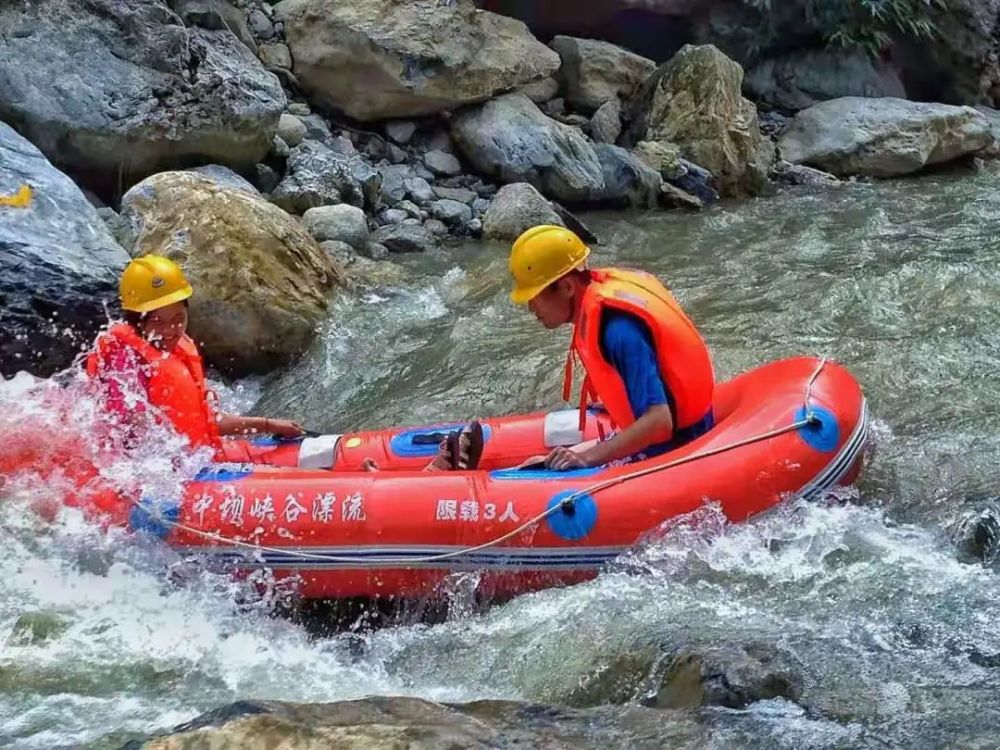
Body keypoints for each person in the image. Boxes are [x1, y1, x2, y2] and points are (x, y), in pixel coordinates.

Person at [508, 225, 715, 470]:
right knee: (537, 466)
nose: (531, 309)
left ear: (567, 287)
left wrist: (585, 458)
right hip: (661, 431)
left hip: (680, 444)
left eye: (534, 297)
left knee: (549, 476)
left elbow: (659, 422)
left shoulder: (619, 331)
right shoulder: (595, 303)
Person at [86, 254, 304, 458]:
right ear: (137, 321)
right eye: (158, 322)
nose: (171, 330)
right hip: (155, 475)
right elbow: (132, 439)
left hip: (197, 458)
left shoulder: (179, 350)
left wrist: (268, 425)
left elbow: (205, 424)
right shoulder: (122, 359)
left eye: (178, 318)